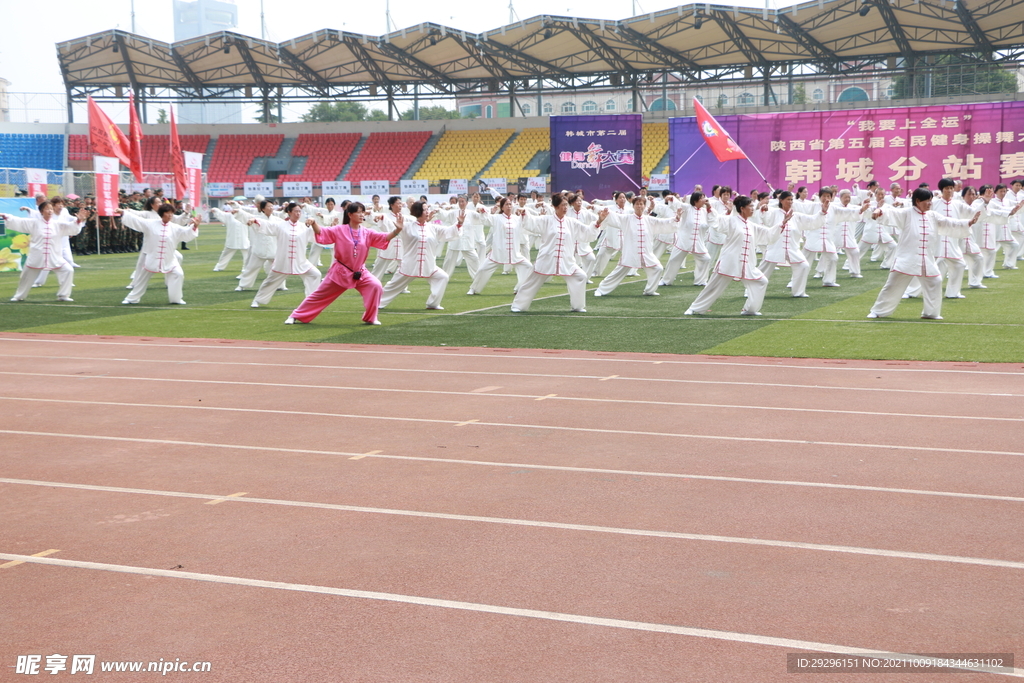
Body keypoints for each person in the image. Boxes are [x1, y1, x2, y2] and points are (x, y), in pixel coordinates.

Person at [866, 188, 992, 320]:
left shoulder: (932, 215)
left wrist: (968, 223)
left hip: (926, 259)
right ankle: (878, 311)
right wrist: (879, 211)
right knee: (893, 285)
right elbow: (891, 213)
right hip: (906, 258)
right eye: (927, 200)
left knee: (936, 281)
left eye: (931, 200)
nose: (930, 203)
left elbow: (949, 222)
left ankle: (931, 313)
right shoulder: (907, 213)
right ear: (918, 201)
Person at [285, 202, 403, 325]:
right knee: (319, 295)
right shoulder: (340, 229)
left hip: (360, 272)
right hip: (340, 272)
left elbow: (383, 237)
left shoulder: (367, 232)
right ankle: (295, 315)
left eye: (363, 212)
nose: (362, 214)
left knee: (375, 285)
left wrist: (397, 230)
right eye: (358, 212)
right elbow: (323, 232)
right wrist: (314, 222)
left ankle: (371, 317)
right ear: (350, 214)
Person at [684, 195, 784, 316]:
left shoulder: (751, 225)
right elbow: (716, 221)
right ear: (742, 208)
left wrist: (782, 224)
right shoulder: (731, 221)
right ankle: (695, 308)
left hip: (746, 263)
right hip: (729, 261)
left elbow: (768, 234)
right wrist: (710, 207)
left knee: (761, 281)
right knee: (713, 287)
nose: (753, 209)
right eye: (750, 206)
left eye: (753, 206)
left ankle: (750, 309)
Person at [512, 194, 605, 313]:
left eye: (566, 205)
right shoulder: (546, 220)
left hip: (566, 261)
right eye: (563, 205)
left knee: (580, 276)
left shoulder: (572, 222)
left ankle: (578, 306)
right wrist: (524, 213)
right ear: (555, 206)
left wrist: (598, 221)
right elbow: (531, 222)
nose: (565, 207)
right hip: (546, 259)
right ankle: (518, 306)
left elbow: (587, 233)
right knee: (531, 282)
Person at [379, 201, 461, 310]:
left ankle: (433, 303)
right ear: (418, 211)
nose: (428, 212)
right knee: (393, 286)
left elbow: (449, 232)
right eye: (425, 209)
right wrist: (384, 220)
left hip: (428, 264)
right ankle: (377, 303)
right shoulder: (407, 226)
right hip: (410, 264)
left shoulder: (433, 228)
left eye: (428, 209)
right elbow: (391, 228)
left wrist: (459, 224)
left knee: (443, 277)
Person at [3, 201, 91, 302]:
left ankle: (63, 295)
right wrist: (6, 216)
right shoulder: (34, 223)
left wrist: (79, 220)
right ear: (41, 211)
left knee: (68, 270)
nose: (50, 211)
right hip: (37, 256)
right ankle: (19, 296)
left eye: (51, 209)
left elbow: (72, 228)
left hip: (54, 256)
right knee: (26, 276)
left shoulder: (58, 224)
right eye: (47, 209)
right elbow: (19, 221)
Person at [594, 196, 676, 297]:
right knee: (617, 273)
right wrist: (606, 213)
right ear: (633, 206)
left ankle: (650, 290)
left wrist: (675, 219)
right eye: (637, 204)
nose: (639, 206)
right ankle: (601, 290)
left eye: (641, 204)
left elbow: (663, 223)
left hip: (646, 253)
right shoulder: (627, 218)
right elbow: (615, 217)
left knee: (657, 268)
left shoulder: (649, 220)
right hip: (630, 252)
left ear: (644, 206)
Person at [246, 202, 322, 308]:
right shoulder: (280, 225)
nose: (298, 213)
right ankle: (257, 300)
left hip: (300, 261)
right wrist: (254, 220)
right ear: (289, 212)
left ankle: (311, 301)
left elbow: (320, 234)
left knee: (315, 274)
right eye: (296, 211)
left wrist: (316, 223)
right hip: (283, 261)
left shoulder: (304, 227)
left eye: (300, 211)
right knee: (270, 281)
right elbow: (266, 225)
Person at [119, 204, 199, 305]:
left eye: (171, 213)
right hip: (152, 258)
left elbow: (186, 233)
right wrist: (123, 213)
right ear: (162, 214)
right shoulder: (150, 224)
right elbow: (137, 220)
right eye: (167, 213)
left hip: (169, 259)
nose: (170, 215)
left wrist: (195, 226)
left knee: (178, 274)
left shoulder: (175, 227)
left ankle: (176, 299)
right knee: (141, 279)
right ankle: (131, 299)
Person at [468, 196, 533, 295]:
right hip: (498, 252)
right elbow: (485, 219)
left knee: (528, 267)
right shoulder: (496, 218)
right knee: (482, 269)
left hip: (514, 253)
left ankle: (519, 288)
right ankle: (474, 288)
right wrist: (482, 210)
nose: (509, 206)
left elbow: (528, 223)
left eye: (510, 204)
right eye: (506, 204)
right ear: (502, 207)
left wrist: (524, 213)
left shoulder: (517, 219)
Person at [661, 191, 712, 287]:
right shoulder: (688, 208)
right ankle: (666, 280)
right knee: (674, 259)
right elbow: (677, 204)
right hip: (684, 241)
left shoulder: (705, 212)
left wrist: (709, 207)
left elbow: (713, 219)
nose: (704, 199)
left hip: (698, 242)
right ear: (695, 200)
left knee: (706, 258)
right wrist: (671, 197)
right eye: (701, 197)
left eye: (704, 197)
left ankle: (700, 281)